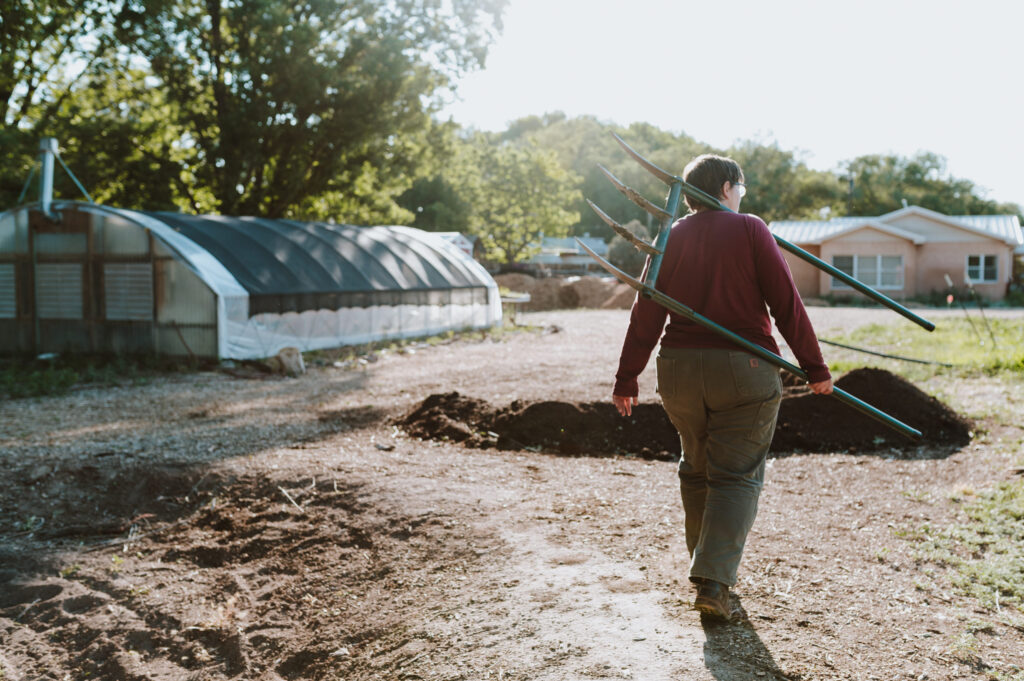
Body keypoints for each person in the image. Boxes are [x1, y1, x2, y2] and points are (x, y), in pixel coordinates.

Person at [611, 154, 833, 620]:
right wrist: (814, 367)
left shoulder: (669, 235)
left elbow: (646, 308)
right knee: (735, 475)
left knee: (696, 468)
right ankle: (712, 581)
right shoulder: (751, 228)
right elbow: (784, 301)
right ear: (729, 187)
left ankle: (707, 569)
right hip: (744, 369)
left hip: (678, 370)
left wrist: (627, 375)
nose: (743, 195)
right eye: (742, 186)